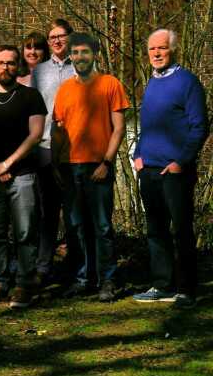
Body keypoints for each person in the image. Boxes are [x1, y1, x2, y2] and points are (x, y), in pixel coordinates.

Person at [132, 29, 209, 309]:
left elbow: (199, 126)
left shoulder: (187, 82)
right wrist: (138, 155)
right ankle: (162, 285)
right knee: (156, 230)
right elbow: (148, 127)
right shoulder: (151, 82)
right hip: (148, 170)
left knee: (182, 230)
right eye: (152, 48)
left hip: (175, 172)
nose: (156, 53)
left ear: (173, 50)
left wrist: (181, 161)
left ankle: (187, 289)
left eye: (162, 48)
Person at [52, 33, 129, 302]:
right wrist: (55, 163)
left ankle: (108, 280)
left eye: (85, 52)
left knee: (102, 226)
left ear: (94, 54)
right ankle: (84, 278)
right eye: (74, 53)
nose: (79, 57)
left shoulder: (110, 84)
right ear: (70, 56)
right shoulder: (64, 90)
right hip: (69, 167)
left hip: (98, 167)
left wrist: (106, 162)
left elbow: (118, 128)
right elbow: (58, 130)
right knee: (76, 226)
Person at [0, 45, 47, 309]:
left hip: (22, 174)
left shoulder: (31, 97)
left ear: (18, 66)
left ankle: (25, 285)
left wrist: (8, 164)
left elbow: (35, 134)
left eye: (11, 63)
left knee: (25, 232)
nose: (5, 67)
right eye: (0, 63)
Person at [30, 18, 76, 283]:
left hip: (74, 149)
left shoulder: (82, 67)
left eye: (61, 36)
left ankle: (75, 266)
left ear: (70, 38)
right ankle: (43, 266)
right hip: (45, 147)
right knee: (47, 210)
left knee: (74, 210)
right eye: (52, 37)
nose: (57, 41)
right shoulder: (40, 71)